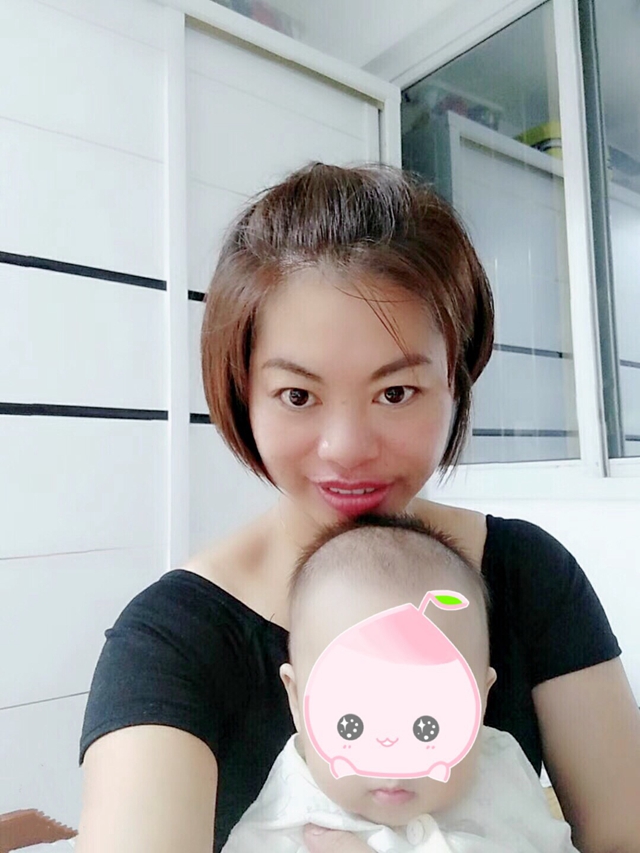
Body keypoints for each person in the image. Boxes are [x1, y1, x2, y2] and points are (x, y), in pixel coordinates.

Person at [76, 163, 640, 853]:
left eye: (395, 392)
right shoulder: (172, 641)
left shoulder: (529, 576)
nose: (346, 449)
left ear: (456, 380)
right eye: (298, 396)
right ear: (243, 392)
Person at [222, 511, 578, 853]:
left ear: (480, 700)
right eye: (352, 723)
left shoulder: (502, 770)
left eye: (426, 725)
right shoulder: (287, 818)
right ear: (298, 700)